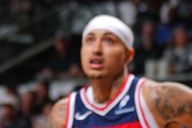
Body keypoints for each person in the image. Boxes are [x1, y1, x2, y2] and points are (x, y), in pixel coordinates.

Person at [48, 14, 192, 127]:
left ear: (129, 55)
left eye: (108, 41)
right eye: (90, 40)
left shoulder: (157, 98)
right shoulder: (64, 113)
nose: (96, 49)